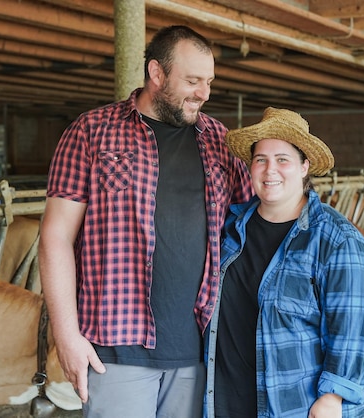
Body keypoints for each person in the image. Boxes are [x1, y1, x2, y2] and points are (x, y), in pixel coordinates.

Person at [38, 25, 253, 418]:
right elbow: (55, 238)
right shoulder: (91, 131)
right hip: (116, 348)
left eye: (208, 82)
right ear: (157, 73)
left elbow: (253, 221)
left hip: (200, 348)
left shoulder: (221, 141)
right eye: (192, 81)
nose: (204, 93)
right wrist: (66, 335)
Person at [204, 107, 364, 418]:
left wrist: (333, 397)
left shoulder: (337, 240)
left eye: (283, 159)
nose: (270, 170)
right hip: (225, 400)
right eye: (261, 160)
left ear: (304, 166)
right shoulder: (229, 228)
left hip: (294, 404)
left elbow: (353, 328)